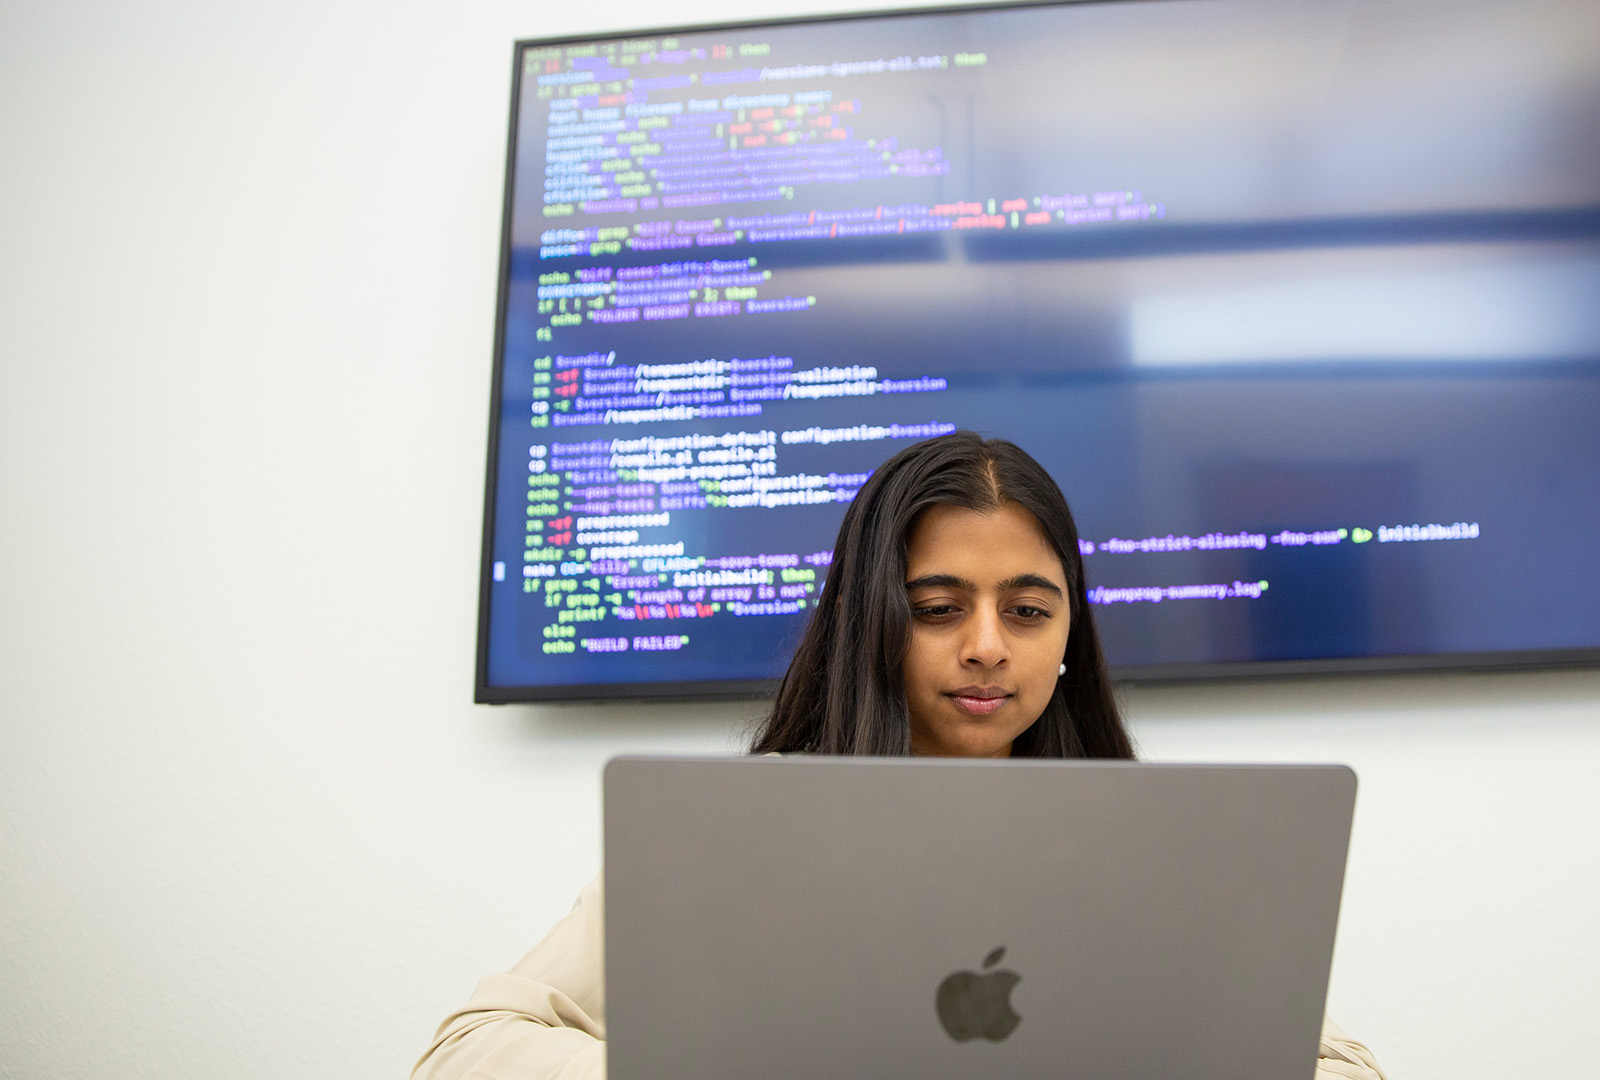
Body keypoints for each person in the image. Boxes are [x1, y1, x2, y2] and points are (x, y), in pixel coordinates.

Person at [413, 432, 1385, 1080]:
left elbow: (1343, 1066)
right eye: (938, 608)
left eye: (1029, 611)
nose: (989, 646)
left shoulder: (1150, 849)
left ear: (1067, 637)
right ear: (870, 621)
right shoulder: (734, 836)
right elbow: (462, 1053)